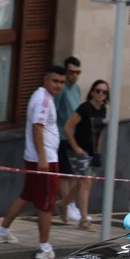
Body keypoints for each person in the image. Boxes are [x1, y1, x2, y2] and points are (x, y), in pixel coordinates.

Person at [0, 64, 65, 259]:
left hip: (38, 158)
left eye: (61, 82)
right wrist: (43, 158)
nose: (58, 85)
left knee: (27, 195)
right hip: (45, 160)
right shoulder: (43, 99)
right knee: (46, 204)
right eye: (55, 81)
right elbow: (37, 128)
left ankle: (2, 231)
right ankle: (44, 247)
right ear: (46, 80)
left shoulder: (42, 97)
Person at [61, 78, 108, 232]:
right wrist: (76, 147)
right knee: (85, 182)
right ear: (92, 92)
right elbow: (67, 127)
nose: (100, 94)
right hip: (78, 150)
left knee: (84, 183)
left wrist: (98, 151)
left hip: (92, 152)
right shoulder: (84, 108)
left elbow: (100, 132)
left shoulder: (103, 109)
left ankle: (63, 204)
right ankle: (84, 220)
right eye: (98, 91)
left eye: (104, 92)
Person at [54, 56, 82, 225]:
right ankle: (67, 205)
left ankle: (71, 205)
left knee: (72, 174)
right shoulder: (62, 89)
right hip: (61, 136)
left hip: (73, 137)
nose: (74, 76)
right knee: (64, 174)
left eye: (78, 72)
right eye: (71, 72)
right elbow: (54, 110)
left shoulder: (76, 88)